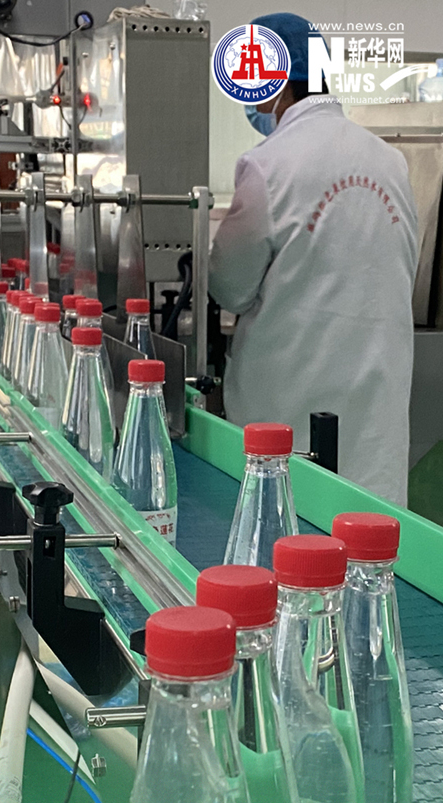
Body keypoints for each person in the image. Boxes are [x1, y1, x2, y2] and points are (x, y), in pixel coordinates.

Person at [208, 12, 418, 505]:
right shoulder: (391, 161)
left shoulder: (268, 163)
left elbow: (229, 287)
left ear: (279, 87)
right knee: (370, 539)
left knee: (288, 539)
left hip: (287, 418)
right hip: (375, 423)